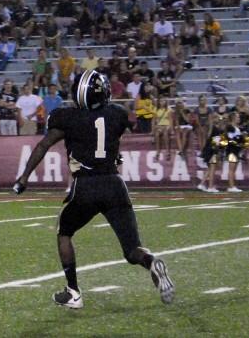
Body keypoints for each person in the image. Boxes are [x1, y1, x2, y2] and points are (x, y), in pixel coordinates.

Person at [13, 70, 174, 309]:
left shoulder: (67, 117)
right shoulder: (116, 115)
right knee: (131, 250)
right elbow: (113, 136)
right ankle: (151, 262)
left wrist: (24, 177)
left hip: (86, 186)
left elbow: (43, 145)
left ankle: (73, 292)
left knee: (64, 232)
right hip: (114, 184)